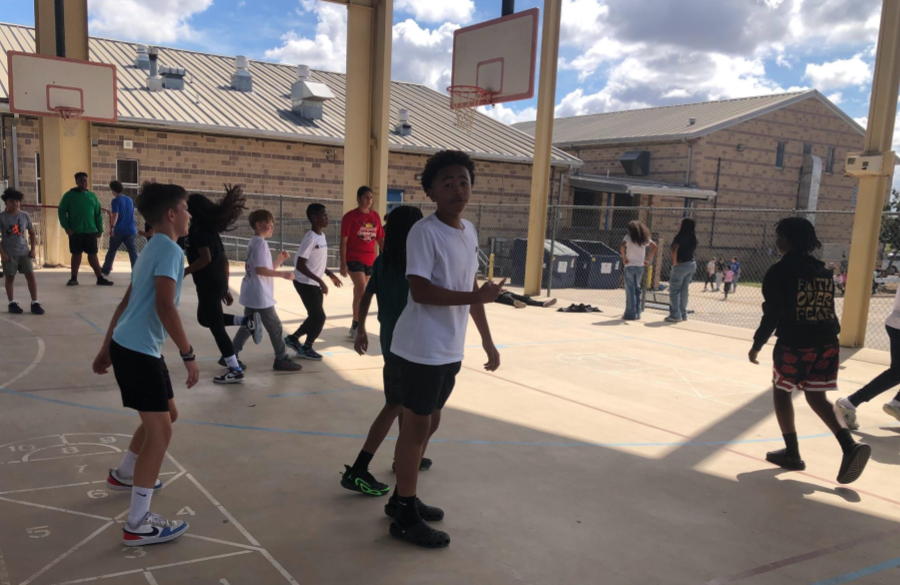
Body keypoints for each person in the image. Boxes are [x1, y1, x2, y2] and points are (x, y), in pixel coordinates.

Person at [386, 150, 504, 549]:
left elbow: (470, 288)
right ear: (432, 191)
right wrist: (477, 297)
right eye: (448, 183)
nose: (458, 189)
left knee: (430, 422)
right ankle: (404, 515)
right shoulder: (424, 232)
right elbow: (420, 290)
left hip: (449, 348)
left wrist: (486, 338)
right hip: (420, 347)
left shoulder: (468, 231)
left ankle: (403, 497)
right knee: (416, 427)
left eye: (464, 182)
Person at [91, 182, 198, 546]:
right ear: (171, 214)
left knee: (168, 416)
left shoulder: (152, 245)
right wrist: (188, 354)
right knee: (161, 432)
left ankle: (124, 474)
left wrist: (107, 346)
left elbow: (127, 303)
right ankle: (138, 523)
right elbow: (164, 306)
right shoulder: (169, 250)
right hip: (138, 352)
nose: (189, 214)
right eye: (185, 208)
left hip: (134, 346)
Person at [749, 217, 870, 485]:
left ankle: (792, 453)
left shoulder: (779, 271)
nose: (777, 240)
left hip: (795, 343)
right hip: (827, 343)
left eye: (779, 236)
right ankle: (849, 445)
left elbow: (772, 314)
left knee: (782, 392)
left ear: (787, 240)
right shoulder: (823, 271)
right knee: (817, 397)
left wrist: (757, 344)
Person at [341, 206, 424, 498]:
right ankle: (359, 467)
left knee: (403, 403)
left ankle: (403, 455)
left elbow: (366, 297)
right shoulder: (413, 263)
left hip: (391, 340)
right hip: (409, 344)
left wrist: (361, 329)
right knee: (396, 403)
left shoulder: (383, 261)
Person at [183, 187, 262, 384]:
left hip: (209, 284)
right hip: (216, 283)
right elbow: (225, 260)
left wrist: (185, 271)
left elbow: (206, 258)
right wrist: (225, 287)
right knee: (204, 319)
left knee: (217, 328)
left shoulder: (198, 231)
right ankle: (246, 321)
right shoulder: (210, 231)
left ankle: (234, 369)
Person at [230, 209, 302, 372]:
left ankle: (230, 354)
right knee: (275, 327)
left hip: (253, 292)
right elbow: (261, 270)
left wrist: (279, 260)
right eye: (269, 225)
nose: (272, 228)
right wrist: (283, 274)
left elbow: (264, 268)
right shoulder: (261, 244)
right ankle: (281, 359)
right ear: (258, 225)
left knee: (249, 325)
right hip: (260, 295)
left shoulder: (254, 242)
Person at [836, 283, 900, 429]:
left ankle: (897, 403)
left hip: (896, 324)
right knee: (896, 372)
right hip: (898, 325)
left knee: (897, 372)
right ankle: (849, 403)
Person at [284, 204, 343, 361]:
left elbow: (318, 262)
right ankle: (306, 348)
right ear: (314, 218)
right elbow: (300, 264)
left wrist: (329, 274)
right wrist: (320, 281)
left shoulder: (321, 236)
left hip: (314, 283)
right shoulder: (310, 238)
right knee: (319, 317)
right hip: (304, 283)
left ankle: (293, 338)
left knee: (314, 316)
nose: (327, 217)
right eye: (324, 215)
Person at [340, 186, 385, 340]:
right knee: (363, 291)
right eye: (366, 197)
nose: (369, 200)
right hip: (354, 258)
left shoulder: (375, 217)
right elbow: (343, 241)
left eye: (371, 197)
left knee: (358, 294)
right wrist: (342, 263)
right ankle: (360, 327)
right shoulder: (350, 217)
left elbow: (380, 239)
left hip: (370, 259)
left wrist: (388, 257)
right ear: (359, 198)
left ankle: (354, 323)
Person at [58, 172, 113, 286]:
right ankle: (73, 278)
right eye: (81, 181)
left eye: (85, 181)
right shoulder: (69, 196)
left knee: (93, 254)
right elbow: (61, 211)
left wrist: (100, 229)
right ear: (76, 182)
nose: (83, 183)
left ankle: (100, 278)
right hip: (75, 232)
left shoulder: (92, 196)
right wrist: (66, 227)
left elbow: (98, 214)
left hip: (91, 231)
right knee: (76, 254)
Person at [1, 188, 44, 314]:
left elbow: (32, 233)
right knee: (10, 277)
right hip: (9, 254)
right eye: (12, 201)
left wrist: (33, 249)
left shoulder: (25, 216)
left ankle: (34, 302)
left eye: (17, 201)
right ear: (6, 203)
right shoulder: (2, 217)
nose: (15, 204)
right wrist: (2, 253)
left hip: (24, 252)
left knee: (30, 276)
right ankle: (11, 303)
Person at [620, 220, 657, 320]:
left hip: (629, 265)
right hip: (640, 266)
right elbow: (654, 246)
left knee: (630, 290)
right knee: (637, 288)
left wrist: (624, 258)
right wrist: (647, 259)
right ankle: (638, 312)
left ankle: (630, 313)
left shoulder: (628, 237)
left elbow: (622, 246)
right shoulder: (644, 238)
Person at [101, 181, 138, 276]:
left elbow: (115, 215)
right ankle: (137, 270)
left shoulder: (115, 201)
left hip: (119, 230)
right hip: (130, 229)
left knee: (112, 250)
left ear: (113, 190)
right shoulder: (129, 200)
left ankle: (106, 269)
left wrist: (112, 227)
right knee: (132, 251)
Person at [665, 218, 698, 323]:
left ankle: (675, 315)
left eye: (681, 223)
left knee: (674, 290)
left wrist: (674, 262)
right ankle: (683, 314)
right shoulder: (694, 237)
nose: (680, 225)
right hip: (691, 264)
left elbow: (674, 248)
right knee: (684, 290)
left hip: (681, 265)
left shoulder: (682, 236)